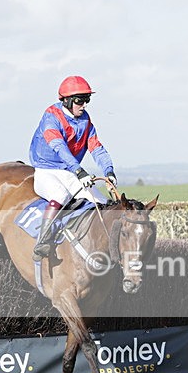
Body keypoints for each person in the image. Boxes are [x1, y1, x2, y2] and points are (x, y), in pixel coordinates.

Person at [28, 75, 118, 260]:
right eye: (80, 100)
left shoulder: (85, 120)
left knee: (101, 202)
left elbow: (96, 148)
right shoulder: (51, 117)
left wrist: (109, 172)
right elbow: (59, 147)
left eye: (87, 100)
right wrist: (79, 171)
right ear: (67, 101)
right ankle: (42, 241)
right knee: (60, 195)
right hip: (46, 169)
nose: (84, 105)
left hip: (69, 171)